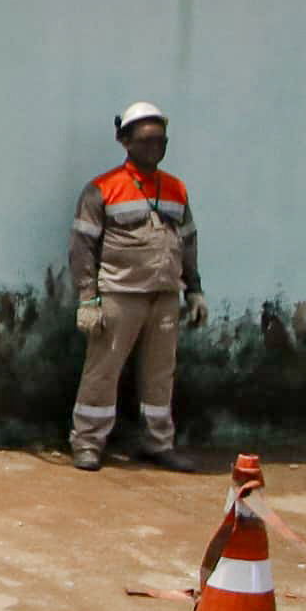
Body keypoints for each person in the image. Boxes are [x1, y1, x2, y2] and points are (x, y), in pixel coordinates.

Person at [66, 102, 201, 472]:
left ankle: (158, 443)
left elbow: (188, 241)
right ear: (124, 141)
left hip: (165, 294)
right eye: (146, 140)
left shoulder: (175, 188)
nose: (155, 147)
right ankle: (87, 442)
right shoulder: (102, 189)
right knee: (102, 370)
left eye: (161, 141)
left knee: (161, 374)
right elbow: (82, 247)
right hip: (119, 294)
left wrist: (194, 290)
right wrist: (88, 299)